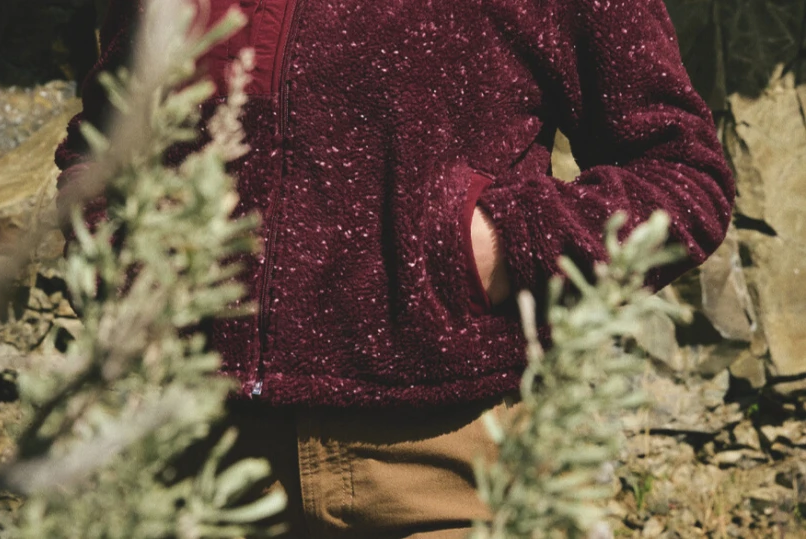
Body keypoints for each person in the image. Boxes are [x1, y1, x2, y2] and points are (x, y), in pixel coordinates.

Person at [55, 0, 735, 536]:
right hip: (196, 455)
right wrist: (124, 264)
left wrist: (496, 244)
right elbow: (106, 138)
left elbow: (684, 178)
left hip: (444, 468)